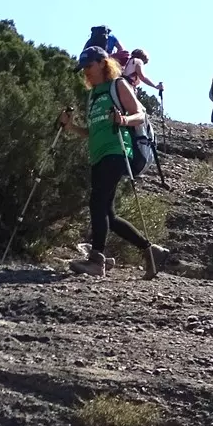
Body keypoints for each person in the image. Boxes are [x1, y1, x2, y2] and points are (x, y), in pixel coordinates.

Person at [60, 46, 168, 279]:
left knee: (96, 202)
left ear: (102, 63)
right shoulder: (94, 94)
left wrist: (123, 119)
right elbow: (93, 131)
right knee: (107, 212)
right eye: (83, 68)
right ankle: (151, 251)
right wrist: (70, 127)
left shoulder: (118, 85)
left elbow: (140, 114)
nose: (85, 72)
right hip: (98, 153)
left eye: (88, 66)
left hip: (118, 150)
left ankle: (97, 260)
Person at [121, 49, 163, 177]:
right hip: (128, 92)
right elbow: (142, 76)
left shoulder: (126, 63)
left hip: (122, 93)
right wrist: (156, 86)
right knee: (140, 116)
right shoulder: (137, 61)